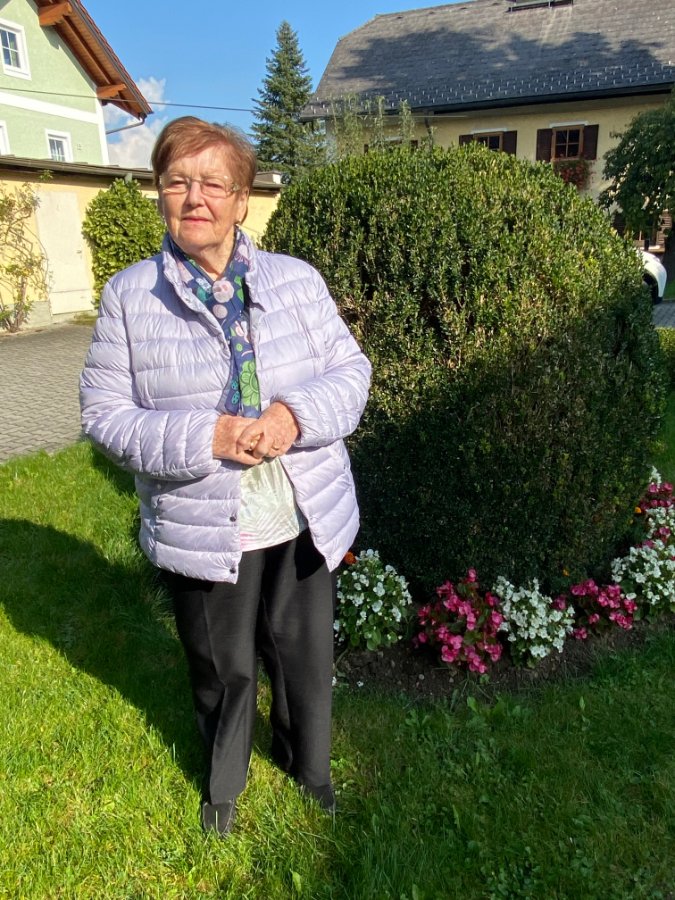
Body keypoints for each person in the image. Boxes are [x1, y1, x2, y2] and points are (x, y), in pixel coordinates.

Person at [80, 116, 371, 836]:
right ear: (159, 193)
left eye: (213, 183)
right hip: (204, 517)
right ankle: (224, 783)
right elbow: (105, 417)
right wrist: (205, 436)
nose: (194, 198)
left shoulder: (296, 281)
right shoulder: (129, 296)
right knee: (222, 663)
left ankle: (310, 767)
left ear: (242, 201)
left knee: (303, 653)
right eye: (177, 181)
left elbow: (350, 372)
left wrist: (293, 416)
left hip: (301, 506)